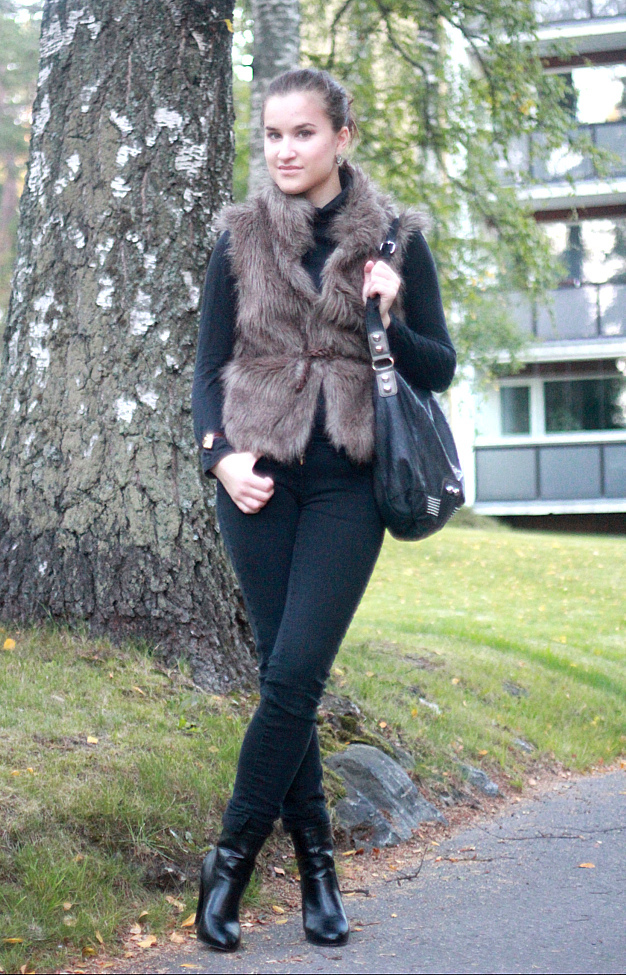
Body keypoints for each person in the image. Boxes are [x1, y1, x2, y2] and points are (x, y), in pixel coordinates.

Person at [191, 67, 456, 953]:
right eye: (272, 135)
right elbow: (207, 370)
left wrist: (387, 316)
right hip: (256, 478)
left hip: (350, 480)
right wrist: (221, 458)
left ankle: (229, 860)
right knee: (283, 676)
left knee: (297, 672)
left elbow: (440, 366)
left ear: (343, 136)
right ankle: (317, 868)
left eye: (302, 132)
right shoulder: (238, 237)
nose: (285, 150)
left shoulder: (397, 240)